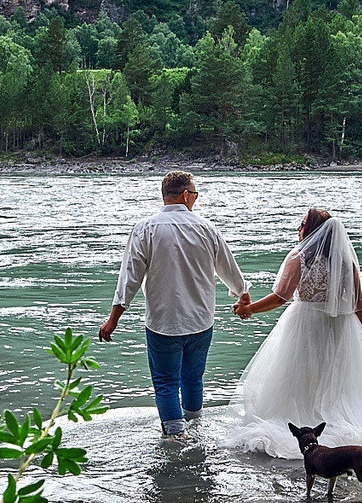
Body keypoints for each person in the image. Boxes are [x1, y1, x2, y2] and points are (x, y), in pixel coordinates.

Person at [224, 208, 362, 466]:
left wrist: (249, 308)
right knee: (332, 383)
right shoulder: (345, 261)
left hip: (305, 325)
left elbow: (281, 297)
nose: (297, 229)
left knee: (298, 378)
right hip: (338, 328)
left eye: (301, 224)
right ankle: (336, 436)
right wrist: (360, 339)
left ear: (310, 230)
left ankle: (305, 431)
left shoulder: (299, 258)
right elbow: (358, 304)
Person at [99, 171, 251, 437]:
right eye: (195, 194)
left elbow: (129, 279)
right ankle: (195, 429)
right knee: (193, 378)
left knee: (166, 382)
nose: (195, 199)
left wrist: (113, 320)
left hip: (163, 322)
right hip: (201, 321)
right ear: (185, 195)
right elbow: (228, 268)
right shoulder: (206, 228)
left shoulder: (146, 229)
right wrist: (242, 293)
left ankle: (176, 438)